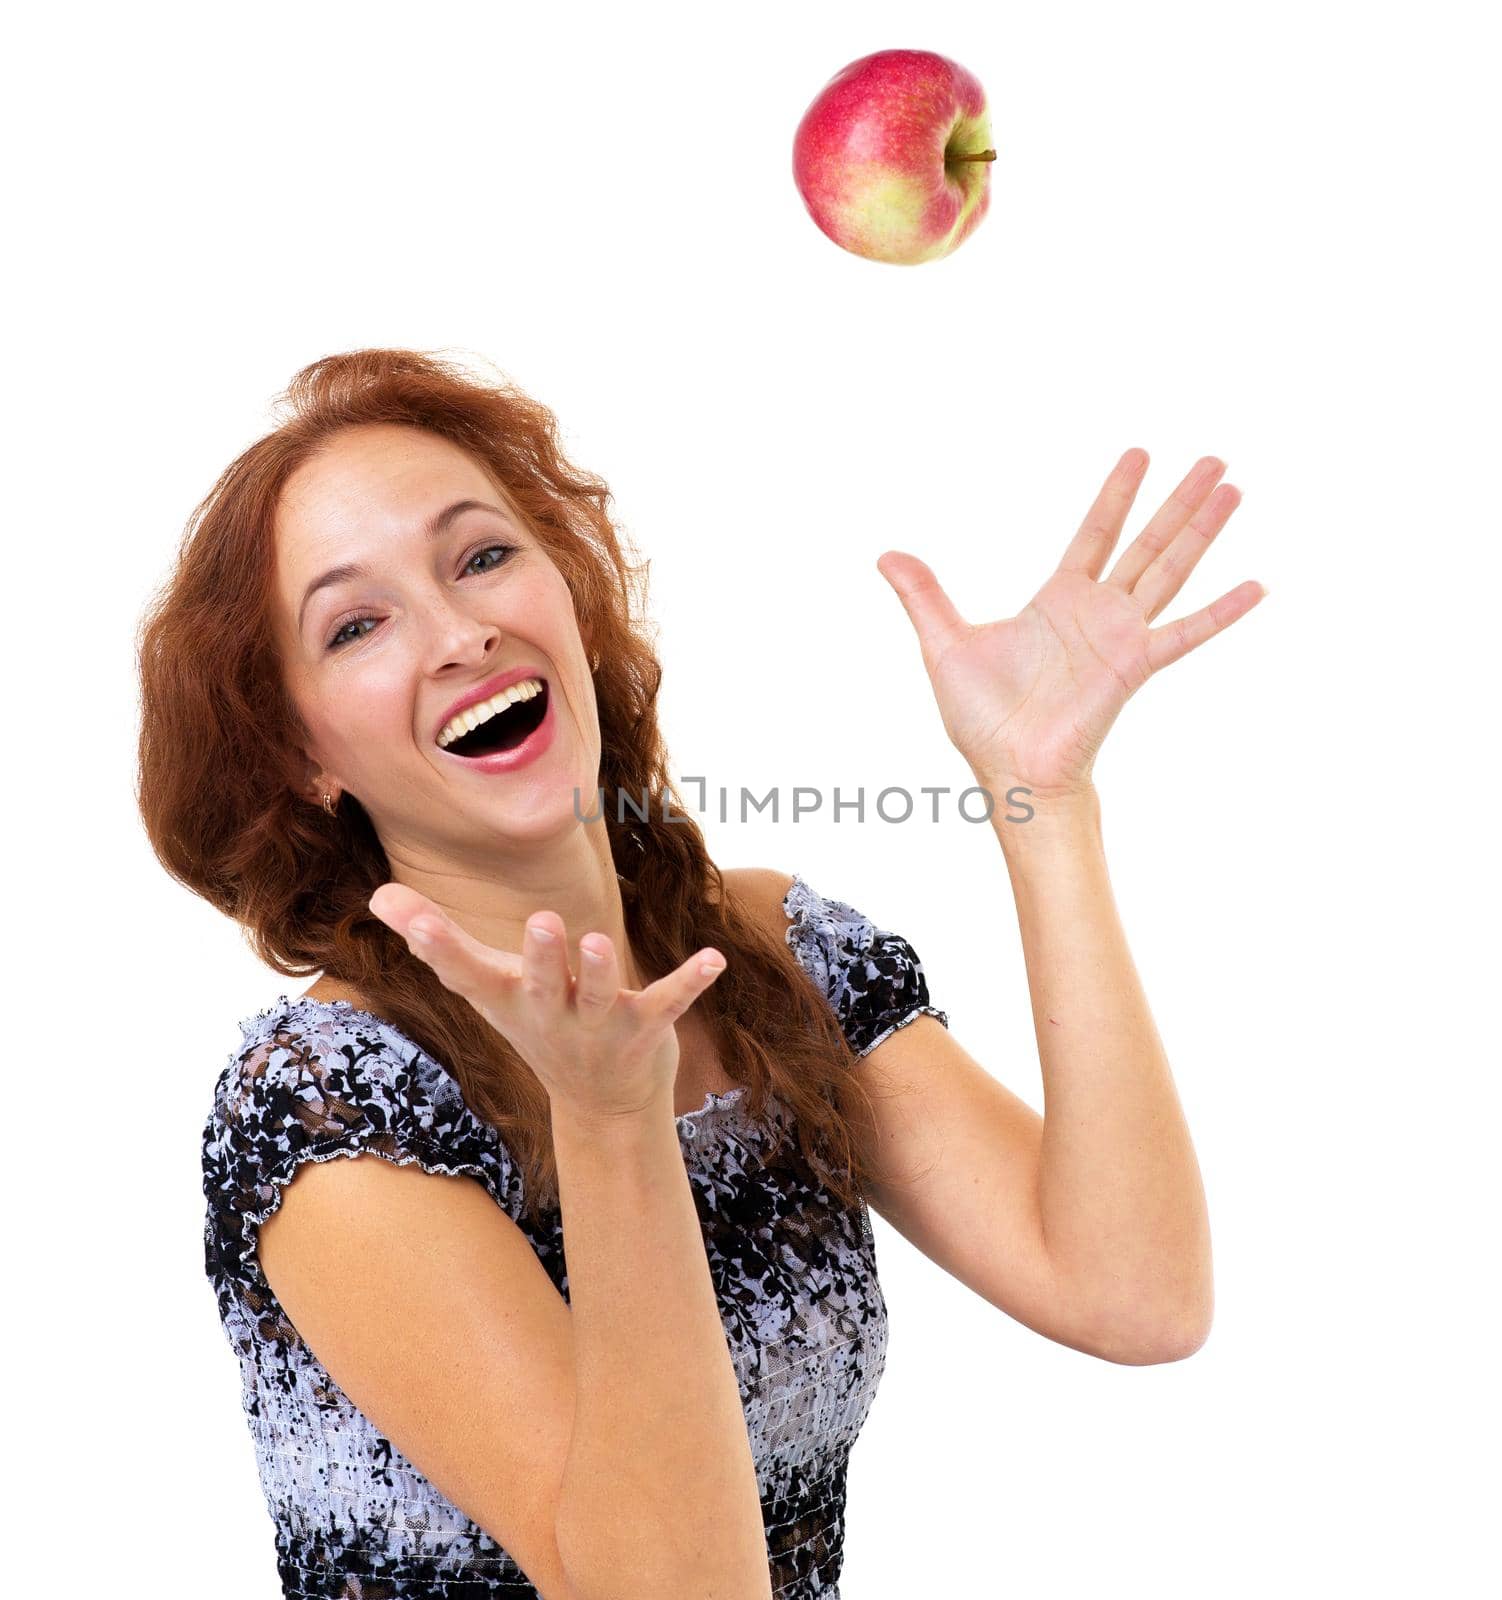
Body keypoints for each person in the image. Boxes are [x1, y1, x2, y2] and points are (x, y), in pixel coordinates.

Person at [136, 347, 1257, 1599]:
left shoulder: (769, 955)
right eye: (357, 624)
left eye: (482, 556)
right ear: (302, 753)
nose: (460, 632)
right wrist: (612, 1117)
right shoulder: (329, 1107)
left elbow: (1134, 1291)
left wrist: (1041, 799)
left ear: (567, 587)